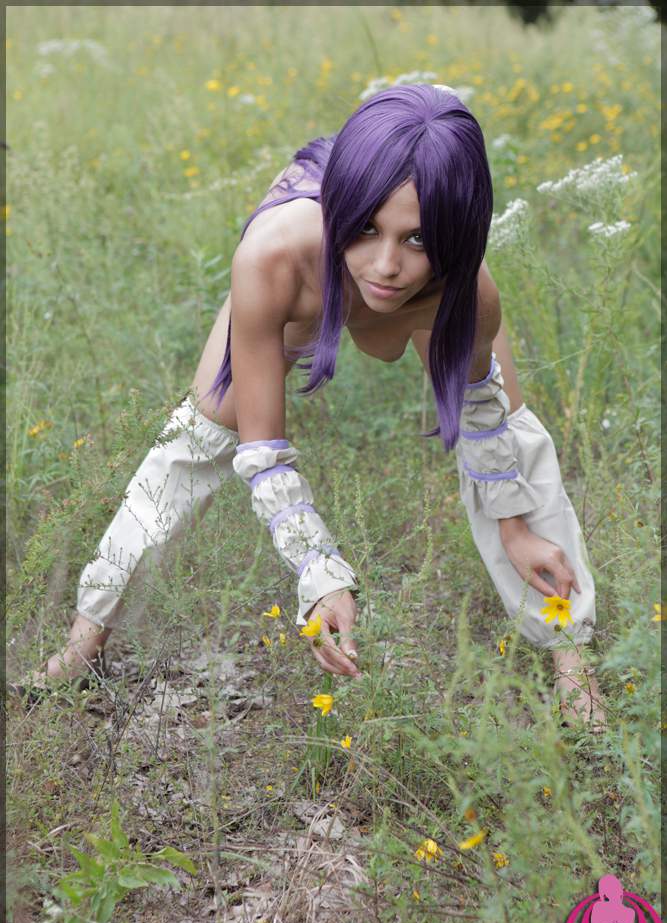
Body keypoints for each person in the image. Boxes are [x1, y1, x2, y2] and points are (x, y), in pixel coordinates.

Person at [21, 84, 606, 731]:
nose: (386, 265)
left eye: (417, 238)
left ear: (455, 236)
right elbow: (262, 450)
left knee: (513, 434)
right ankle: (82, 645)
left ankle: (570, 652)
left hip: (425, 287)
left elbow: (485, 427)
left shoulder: (466, 294)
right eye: (367, 229)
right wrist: (319, 571)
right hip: (312, 274)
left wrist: (515, 528)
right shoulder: (272, 258)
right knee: (201, 435)